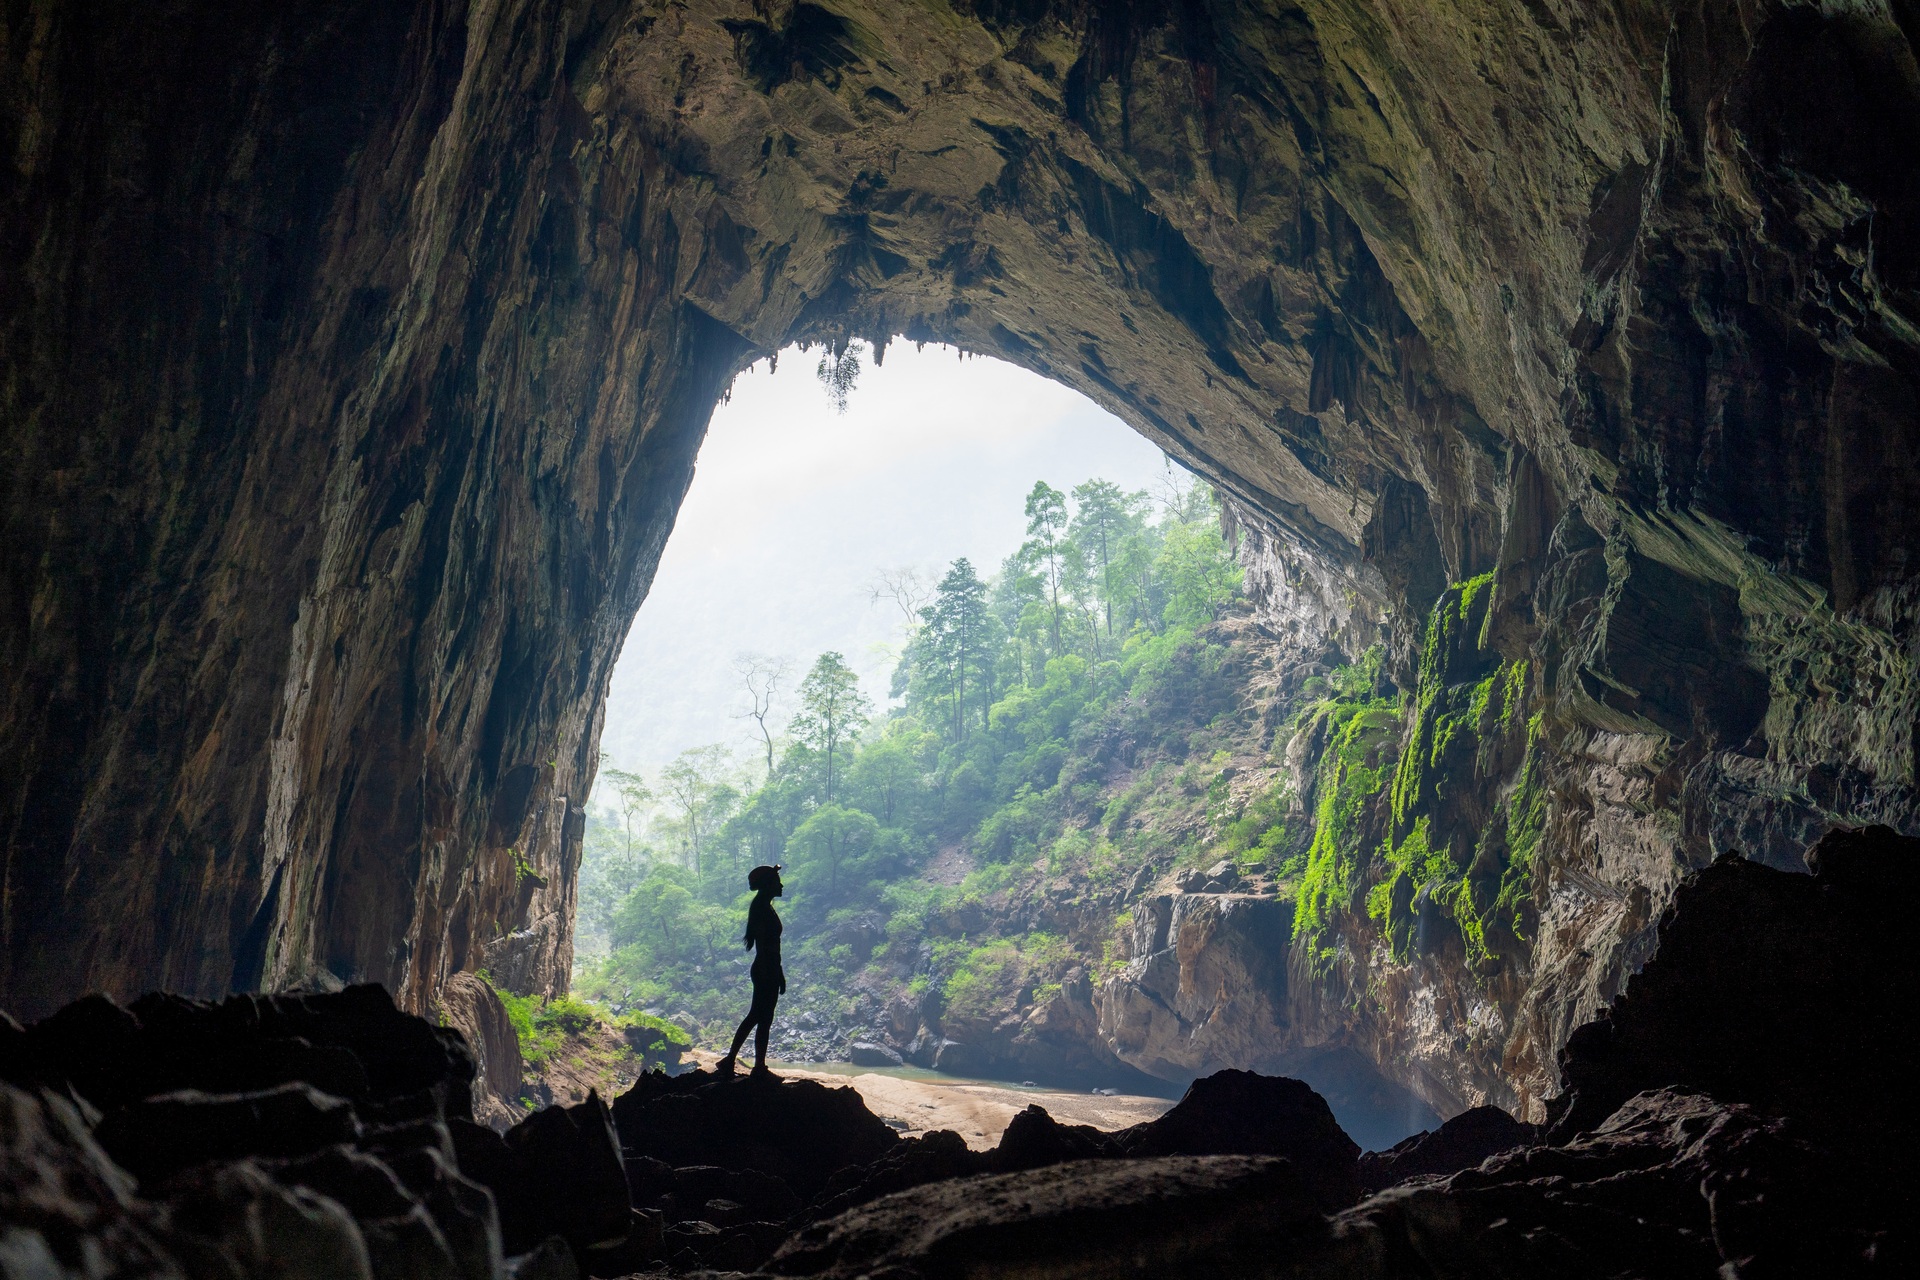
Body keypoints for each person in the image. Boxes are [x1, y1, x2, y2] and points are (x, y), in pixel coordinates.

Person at [718, 864, 785, 1075]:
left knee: (761, 1017)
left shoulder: (763, 907)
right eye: (777, 881)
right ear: (768, 884)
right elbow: (766, 946)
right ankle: (745, 1064)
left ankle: (748, 1064)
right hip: (766, 968)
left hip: (767, 967)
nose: (781, 885)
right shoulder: (762, 909)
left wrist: (778, 972)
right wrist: (774, 972)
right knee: (759, 1016)